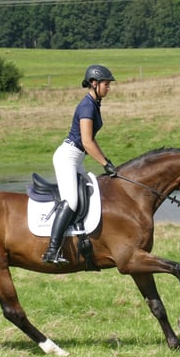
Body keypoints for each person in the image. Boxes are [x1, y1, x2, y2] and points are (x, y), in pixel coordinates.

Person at [42, 64, 118, 264]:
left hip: (77, 158)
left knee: (91, 192)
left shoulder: (94, 104)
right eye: (106, 84)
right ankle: (52, 250)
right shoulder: (86, 106)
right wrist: (105, 163)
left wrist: (105, 160)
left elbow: (90, 140)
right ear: (94, 83)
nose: (108, 87)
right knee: (72, 201)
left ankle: (82, 237)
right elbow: (86, 141)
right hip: (68, 157)